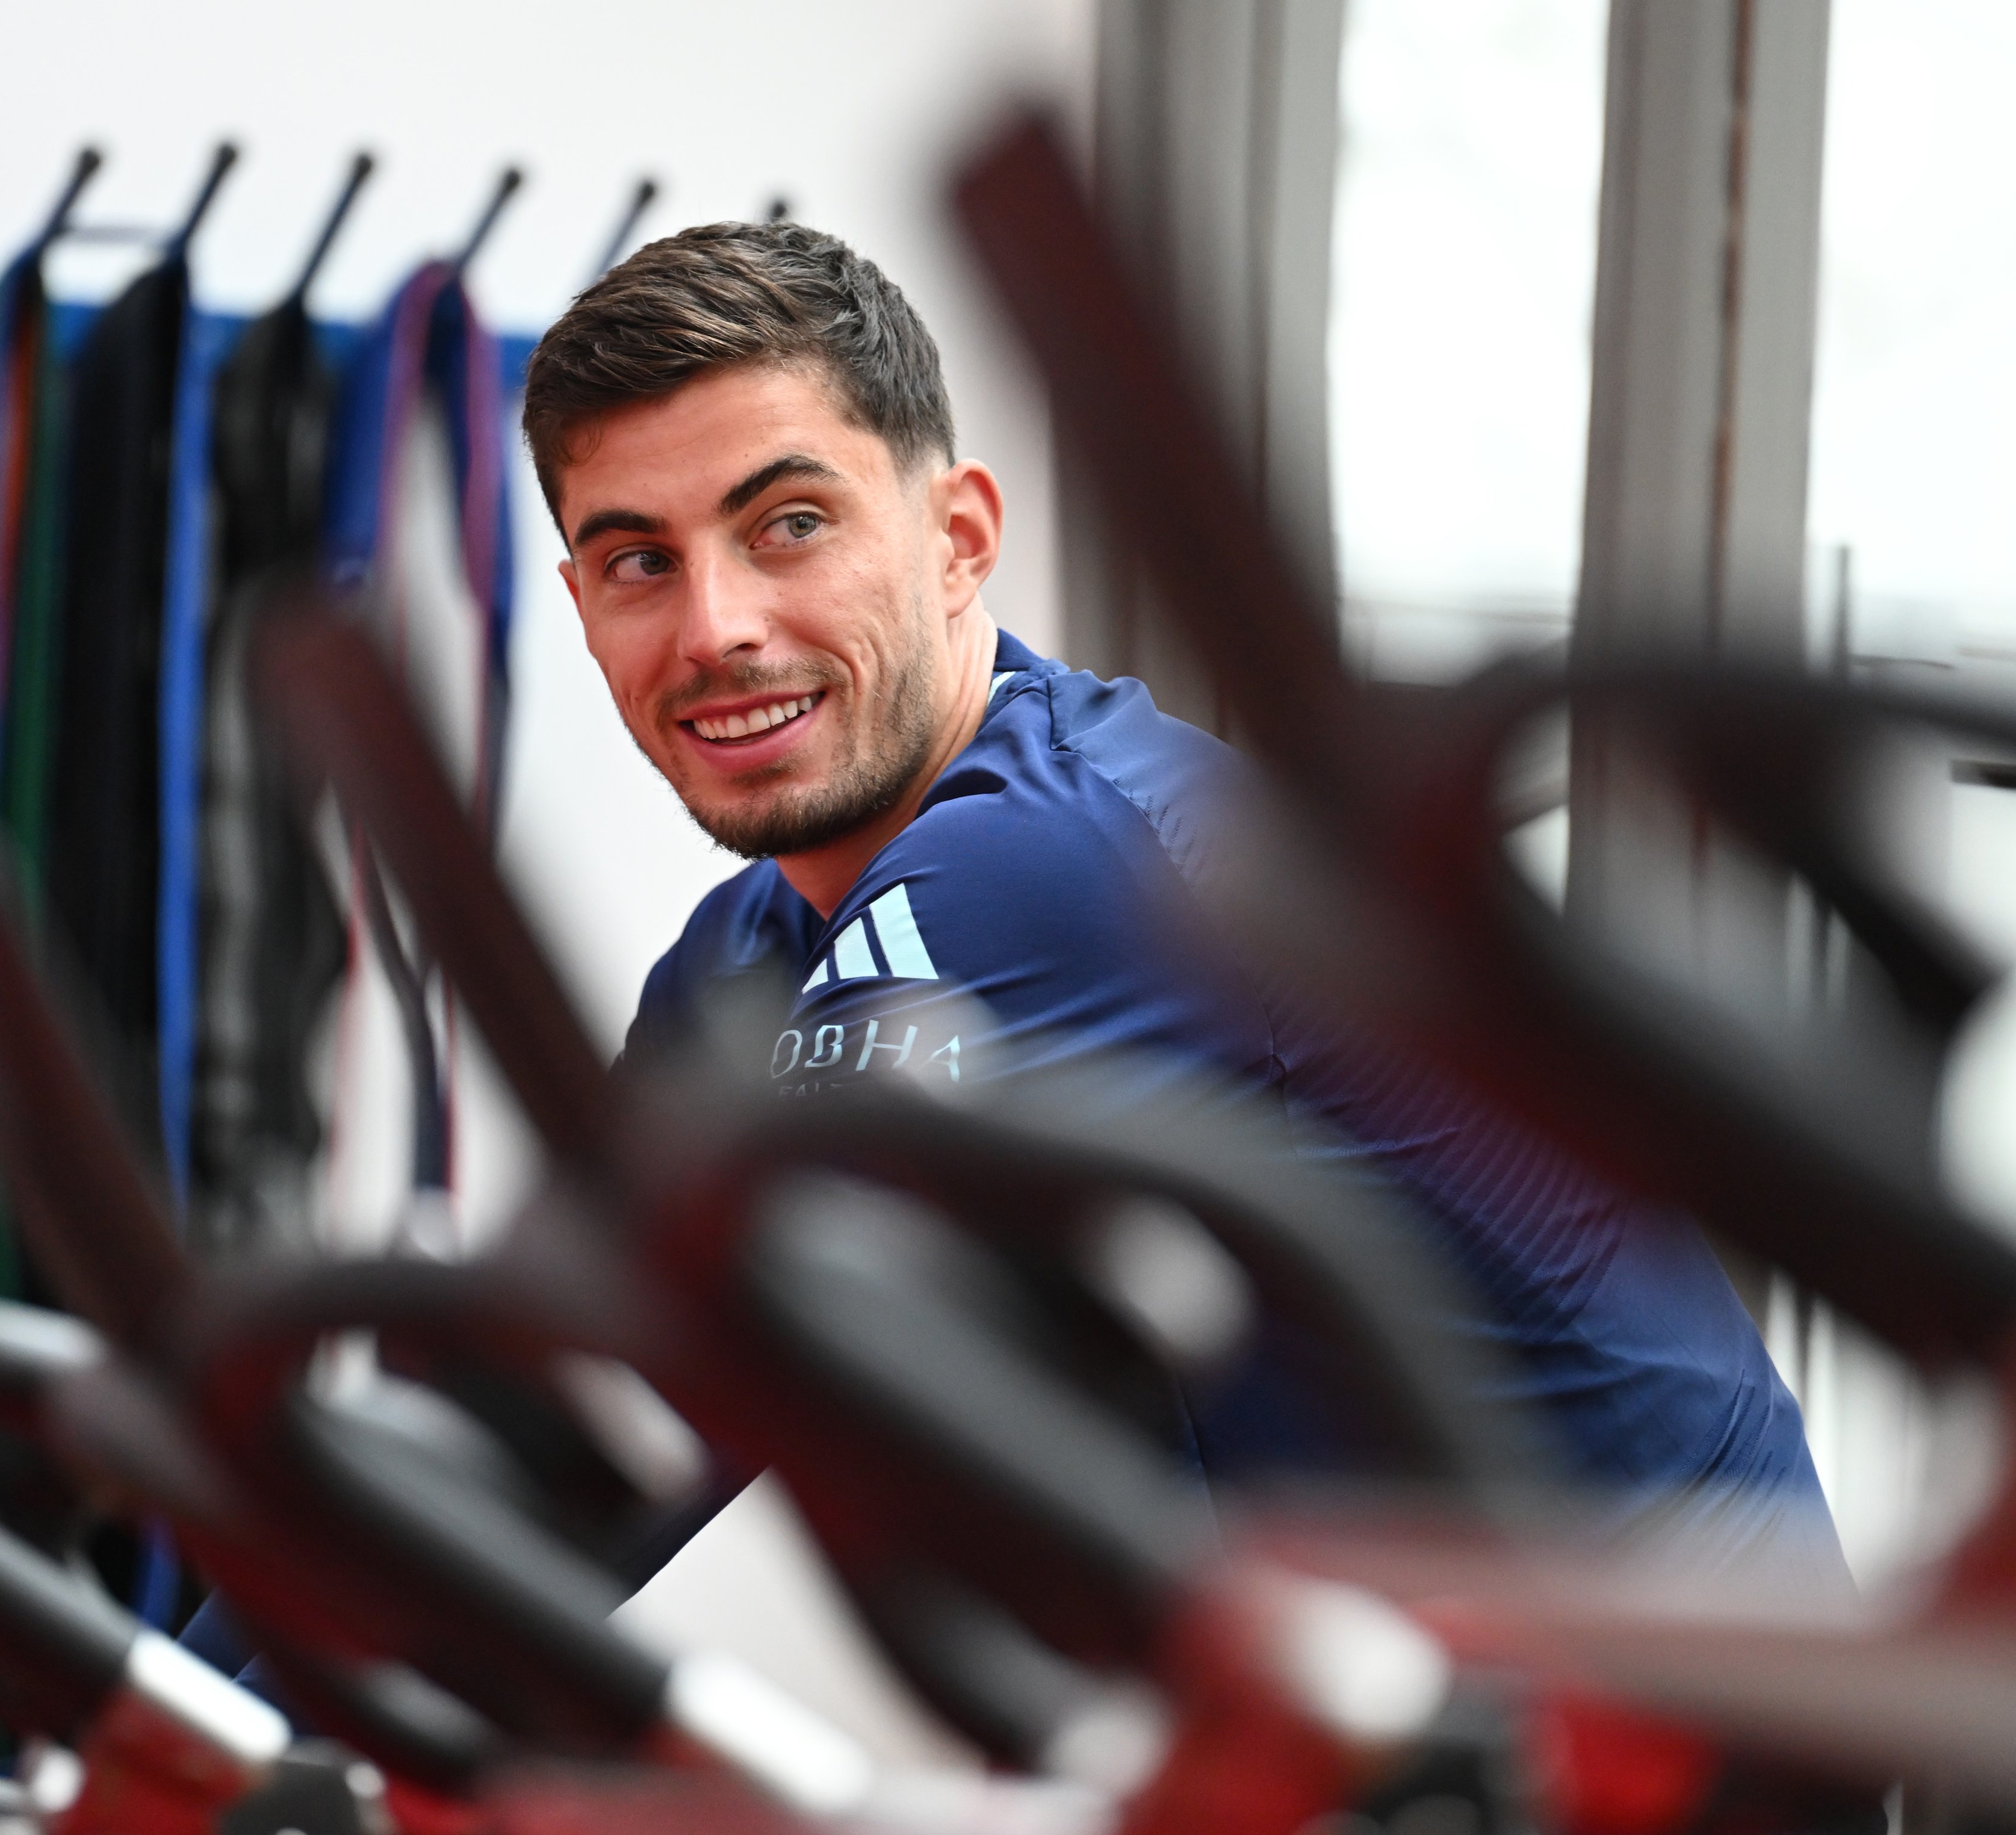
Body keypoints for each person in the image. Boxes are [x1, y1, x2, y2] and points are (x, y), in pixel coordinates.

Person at [520, 220, 1846, 1577]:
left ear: (958, 538)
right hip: (1390, 1698)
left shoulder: (1050, 861)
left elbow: (675, 1405)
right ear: (577, 603)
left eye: (788, 526)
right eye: (639, 562)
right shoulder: (741, 961)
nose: (715, 627)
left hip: (1681, 1736)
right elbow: (566, 1393)